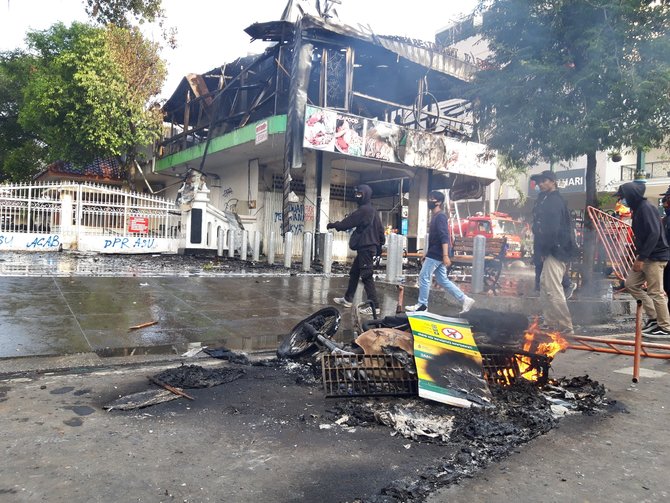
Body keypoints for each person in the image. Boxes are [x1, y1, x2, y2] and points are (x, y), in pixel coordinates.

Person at [405, 190, 475, 314]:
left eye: (432, 199)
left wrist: (445, 255)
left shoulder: (441, 217)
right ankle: (465, 299)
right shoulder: (435, 217)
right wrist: (426, 253)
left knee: (424, 276)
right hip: (435, 252)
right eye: (429, 198)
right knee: (442, 279)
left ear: (439, 202)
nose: (429, 201)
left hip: (438, 253)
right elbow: (434, 238)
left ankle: (422, 306)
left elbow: (444, 237)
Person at [617, 181, 670, 339]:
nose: (621, 201)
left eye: (622, 197)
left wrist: (642, 258)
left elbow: (653, 234)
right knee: (631, 284)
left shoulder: (645, 208)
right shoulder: (638, 208)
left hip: (654, 257)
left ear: (631, 195)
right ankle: (654, 317)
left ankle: (665, 327)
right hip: (647, 256)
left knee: (655, 292)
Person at [327, 184, 385, 315]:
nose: (357, 197)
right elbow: (381, 230)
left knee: (366, 276)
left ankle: (374, 306)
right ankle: (348, 299)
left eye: (360, 194)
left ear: (366, 195)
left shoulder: (364, 210)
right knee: (354, 273)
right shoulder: (373, 211)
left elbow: (346, 223)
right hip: (368, 248)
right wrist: (380, 246)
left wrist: (333, 225)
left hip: (366, 248)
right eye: (356, 194)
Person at [530, 170, 575, 335]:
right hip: (550, 250)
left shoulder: (555, 200)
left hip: (557, 250)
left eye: (544, 181)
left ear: (553, 182)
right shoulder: (545, 199)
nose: (541, 184)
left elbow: (552, 229)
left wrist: (545, 249)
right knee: (544, 285)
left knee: (553, 288)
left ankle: (565, 325)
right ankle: (550, 322)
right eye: (539, 182)